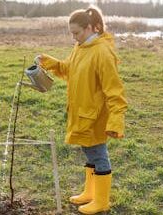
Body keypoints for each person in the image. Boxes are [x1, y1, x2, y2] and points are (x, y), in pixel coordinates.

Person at [36, 5, 127, 215]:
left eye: (76, 33)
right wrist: (50, 63)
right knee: (89, 152)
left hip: (95, 116)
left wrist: (115, 120)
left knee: (98, 154)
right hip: (82, 112)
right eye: (71, 33)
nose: (73, 38)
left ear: (89, 28)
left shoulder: (102, 52)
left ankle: (101, 201)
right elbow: (69, 69)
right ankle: (90, 193)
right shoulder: (81, 47)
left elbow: (114, 91)